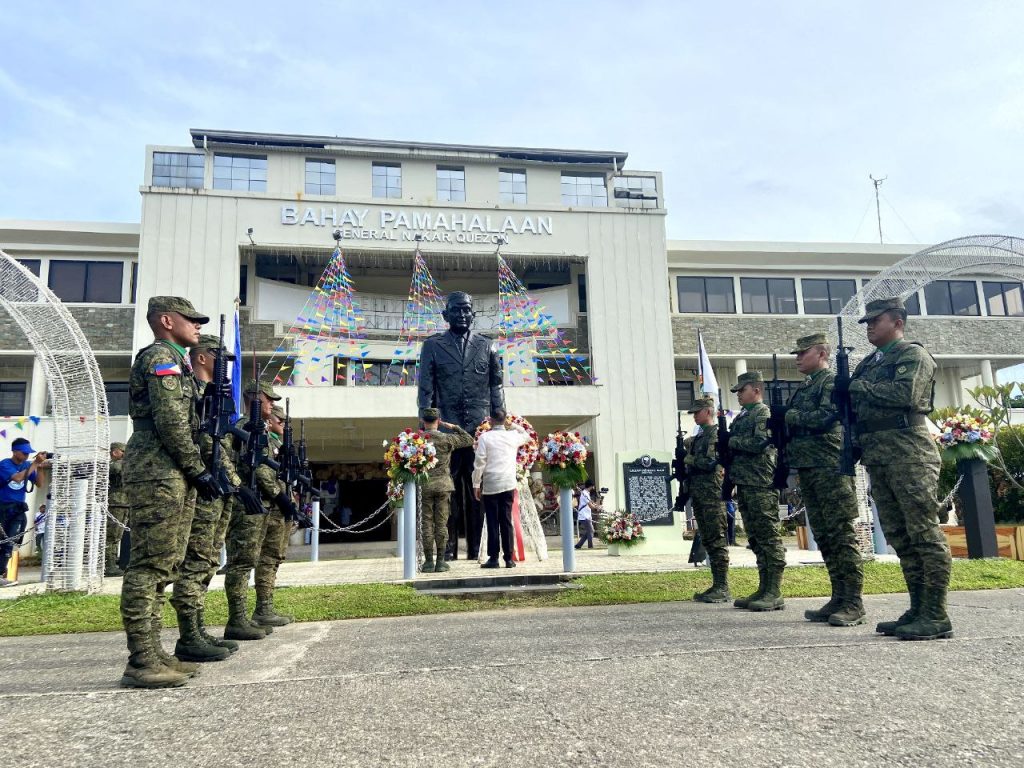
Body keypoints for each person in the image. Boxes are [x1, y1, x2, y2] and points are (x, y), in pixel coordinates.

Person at [120, 296, 222, 689]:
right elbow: (170, 420)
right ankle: (141, 659)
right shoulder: (159, 357)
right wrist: (197, 469)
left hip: (171, 470)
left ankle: (156, 651)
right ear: (166, 321)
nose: (197, 326)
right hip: (157, 469)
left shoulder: (176, 360)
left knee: (168, 563)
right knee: (149, 565)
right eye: (190, 319)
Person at [841, 297, 952, 641]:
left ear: (897, 321)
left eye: (876, 321)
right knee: (900, 536)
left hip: (910, 453)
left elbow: (905, 394)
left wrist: (857, 386)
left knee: (924, 532)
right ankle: (917, 607)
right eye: (868, 323)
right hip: (879, 456)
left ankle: (935, 613)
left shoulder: (912, 355)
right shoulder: (868, 364)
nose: (870, 327)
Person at [169, 334, 248, 663]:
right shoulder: (194, 393)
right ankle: (188, 634)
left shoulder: (213, 395)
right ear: (202, 358)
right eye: (219, 356)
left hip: (218, 485)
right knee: (196, 560)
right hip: (204, 485)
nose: (226, 364)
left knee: (209, 560)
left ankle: (198, 629)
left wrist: (233, 483)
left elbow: (220, 443)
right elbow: (200, 439)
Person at [785, 333, 865, 627]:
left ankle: (854, 602)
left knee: (840, 534)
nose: (797, 358)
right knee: (825, 536)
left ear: (821, 353)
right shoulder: (806, 386)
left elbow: (824, 417)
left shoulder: (829, 382)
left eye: (802, 353)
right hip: (809, 467)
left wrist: (789, 415)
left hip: (830, 465)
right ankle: (838, 597)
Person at [418, 291, 504, 561]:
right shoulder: (432, 346)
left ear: (473, 314)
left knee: (478, 491)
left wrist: (500, 423)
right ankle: (447, 549)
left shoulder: (487, 346)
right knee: (446, 491)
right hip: (445, 431)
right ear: (446, 315)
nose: (462, 314)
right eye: (456, 310)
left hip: (480, 431)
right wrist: (427, 428)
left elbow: (496, 386)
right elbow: (425, 388)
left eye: (467, 310)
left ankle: (477, 550)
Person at [223, 380, 284, 640]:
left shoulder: (260, 432)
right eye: (268, 398)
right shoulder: (241, 428)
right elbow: (249, 467)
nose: (272, 404)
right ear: (255, 398)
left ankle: (256, 613)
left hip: (262, 505)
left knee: (258, 559)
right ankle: (237, 619)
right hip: (246, 504)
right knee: (241, 562)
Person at [729, 371, 786, 612]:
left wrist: (730, 442)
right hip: (745, 482)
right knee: (755, 537)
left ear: (756, 390)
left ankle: (774, 590)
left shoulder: (763, 413)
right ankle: (764, 587)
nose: (739, 395)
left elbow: (759, 444)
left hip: (761, 482)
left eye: (742, 390)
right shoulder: (743, 417)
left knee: (768, 535)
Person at [252, 403, 299, 628]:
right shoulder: (264, 440)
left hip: (279, 505)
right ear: (270, 422)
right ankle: (261, 609)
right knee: (266, 557)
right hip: (268, 505)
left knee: (275, 557)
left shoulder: (278, 443)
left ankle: (266, 606)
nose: (283, 426)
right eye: (281, 422)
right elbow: (263, 473)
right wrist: (280, 498)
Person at [685, 396, 732, 603]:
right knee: (708, 540)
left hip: (713, 495)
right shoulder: (700, 436)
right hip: (700, 494)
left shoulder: (715, 435)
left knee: (717, 539)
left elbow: (710, 462)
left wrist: (689, 458)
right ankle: (717, 584)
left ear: (708, 411)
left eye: (697, 411)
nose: (694, 415)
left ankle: (722, 586)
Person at [472, 407, 530, 568]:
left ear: (490, 420)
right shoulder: (512, 436)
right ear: (505, 420)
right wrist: (513, 425)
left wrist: (476, 483)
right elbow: (527, 435)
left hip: (491, 483)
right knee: (506, 521)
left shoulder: (485, 437)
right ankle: (509, 559)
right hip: (508, 482)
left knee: (492, 521)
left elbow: (479, 462)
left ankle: (494, 558)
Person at [419, 407, 474, 572]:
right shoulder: (447, 439)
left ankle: (428, 561)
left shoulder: (417, 440)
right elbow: (469, 439)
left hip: (425, 485)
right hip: (443, 486)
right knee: (442, 524)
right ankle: (441, 561)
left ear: (423, 421)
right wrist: (454, 427)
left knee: (426, 523)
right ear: (438, 421)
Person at [0, 437, 49, 586]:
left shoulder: (29, 465)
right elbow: (17, 478)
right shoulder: (5, 464)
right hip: (3, 508)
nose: (27, 456)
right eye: (24, 453)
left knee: (10, 543)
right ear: (15, 452)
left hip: (18, 509)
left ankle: (0, 574)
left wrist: (39, 468)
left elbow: (39, 484)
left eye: (29, 453)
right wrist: (34, 463)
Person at [105, 442, 129, 577]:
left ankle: (114, 561)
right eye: (123, 451)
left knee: (118, 536)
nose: (126, 454)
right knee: (112, 536)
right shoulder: (114, 465)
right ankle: (109, 564)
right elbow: (119, 470)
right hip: (116, 503)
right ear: (115, 453)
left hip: (124, 502)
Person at [574, 480, 600, 549]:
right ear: (591, 486)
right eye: (593, 486)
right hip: (584, 516)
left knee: (589, 531)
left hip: (587, 515)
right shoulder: (585, 493)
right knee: (591, 531)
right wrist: (597, 506)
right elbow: (591, 506)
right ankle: (590, 546)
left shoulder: (586, 493)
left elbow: (592, 505)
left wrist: (599, 501)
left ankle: (578, 545)